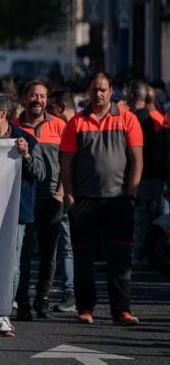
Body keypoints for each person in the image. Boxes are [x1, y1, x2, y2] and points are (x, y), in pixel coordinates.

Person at [59, 73, 143, 326]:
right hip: (84, 200)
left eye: (103, 90)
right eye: (95, 89)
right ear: (88, 91)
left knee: (120, 258)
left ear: (111, 91)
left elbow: (137, 158)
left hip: (118, 199)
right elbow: (66, 163)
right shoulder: (75, 122)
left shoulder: (128, 119)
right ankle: (85, 308)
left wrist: (132, 194)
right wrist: (69, 193)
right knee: (84, 258)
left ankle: (122, 310)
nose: (99, 94)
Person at [0, 93, 43, 340]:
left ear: (3, 113)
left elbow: (40, 173)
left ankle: (3, 313)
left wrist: (25, 155)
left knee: (11, 267)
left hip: (16, 213)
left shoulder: (25, 139)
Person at [13, 80, 66, 319]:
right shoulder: (13, 126)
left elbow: (69, 161)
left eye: (43, 96)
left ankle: (42, 297)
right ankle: (22, 300)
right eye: (33, 95)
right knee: (23, 252)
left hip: (51, 196)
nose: (38, 100)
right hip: (24, 196)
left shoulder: (59, 126)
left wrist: (62, 191)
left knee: (49, 252)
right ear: (24, 98)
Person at [125, 80, 168, 268]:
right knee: (152, 216)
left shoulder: (133, 120)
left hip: (142, 177)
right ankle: (149, 256)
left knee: (142, 216)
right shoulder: (155, 119)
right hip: (155, 176)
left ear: (132, 96)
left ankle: (139, 255)